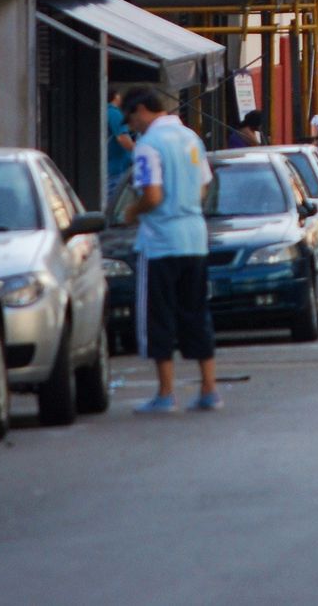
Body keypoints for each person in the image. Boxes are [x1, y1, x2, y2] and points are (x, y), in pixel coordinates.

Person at [121, 88, 220, 413]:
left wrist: (131, 213)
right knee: (196, 313)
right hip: (194, 236)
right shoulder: (192, 138)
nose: (131, 125)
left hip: (161, 241)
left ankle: (166, 392)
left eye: (131, 117)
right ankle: (209, 388)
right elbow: (204, 184)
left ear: (143, 110)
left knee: (158, 317)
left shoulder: (148, 146)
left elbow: (152, 196)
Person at [105, 91, 136, 197]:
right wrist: (138, 150)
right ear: (115, 97)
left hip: (110, 165)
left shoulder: (105, 112)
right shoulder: (114, 112)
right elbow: (122, 138)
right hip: (117, 167)